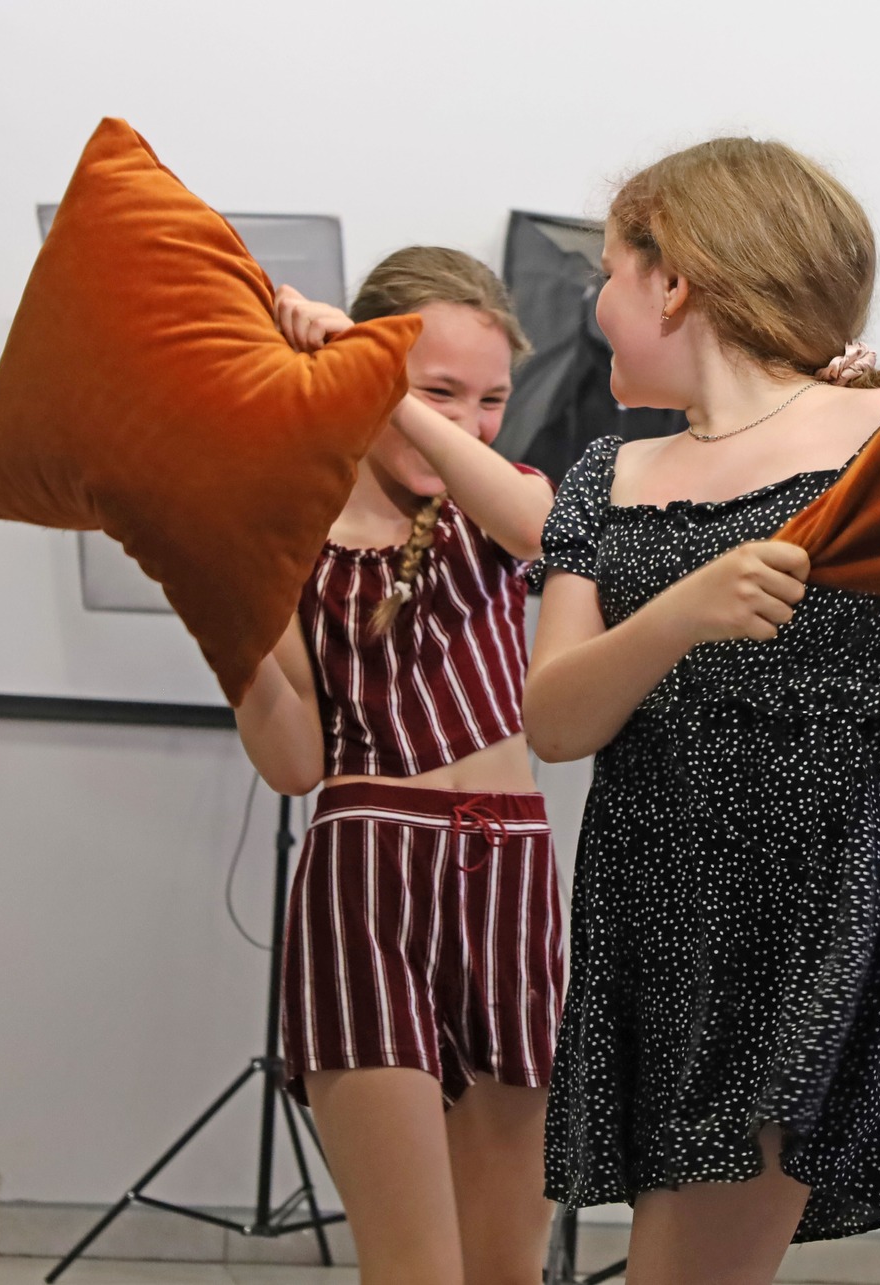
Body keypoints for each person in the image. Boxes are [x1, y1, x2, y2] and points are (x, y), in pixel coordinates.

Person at [524, 139, 880, 1285]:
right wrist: (680, 614)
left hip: (811, 911)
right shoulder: (605, 476)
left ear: (675, 281)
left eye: (609, 277)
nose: (596, 309)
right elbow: (555, 722)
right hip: (649, 916)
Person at [233, 246, 561, 1285]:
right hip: (364, 877)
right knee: (413, 1267)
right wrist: (220, 611)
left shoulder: (500, 503)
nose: (470, 421)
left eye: (491, 398)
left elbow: (541, 526)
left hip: (509, 878)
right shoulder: (288, 525)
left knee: (506, 1268)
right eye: (438, 390)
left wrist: (391, 392)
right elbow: (293, 763)